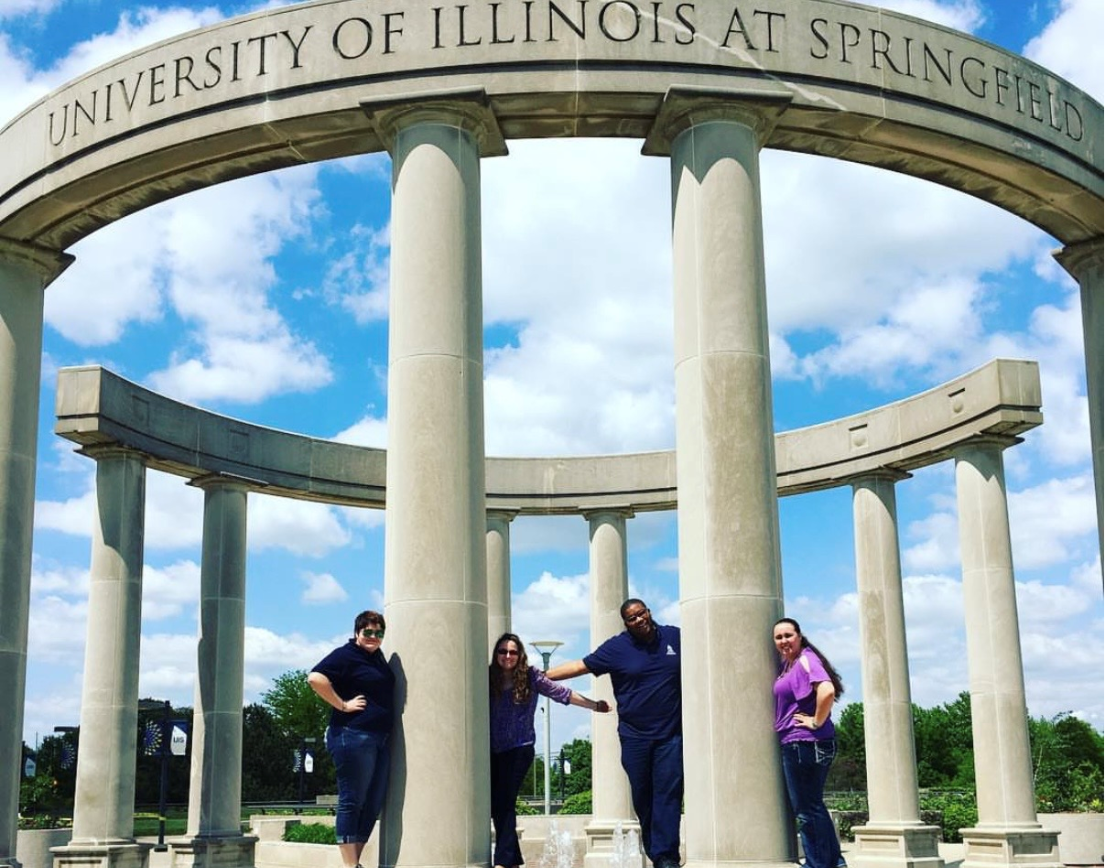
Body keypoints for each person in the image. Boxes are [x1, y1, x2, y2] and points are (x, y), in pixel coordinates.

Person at [547, 599, 683, 868]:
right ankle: (658, 853)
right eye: (631, 618)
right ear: (626, 623)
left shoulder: (674, 637)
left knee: (668, 794)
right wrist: (537, 677)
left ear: (649, 612)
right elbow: (580, 666)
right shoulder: (617, 648)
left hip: (671, 735)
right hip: (635, 737)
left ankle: (667, 858)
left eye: (641, 613)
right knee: (643, 797)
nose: (639, 620)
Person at [489, 632, 610, 868]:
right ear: (496, 654)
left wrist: (594, 705)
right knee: (497, 804)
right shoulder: (487, 677)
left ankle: (504, 862)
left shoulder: (531, 677)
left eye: (513, 652)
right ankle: (512, 860)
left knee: (503, 801)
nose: (508, 656)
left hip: (519, 749)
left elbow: (562, 694)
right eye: (503, 651)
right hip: (492, 751)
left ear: (520, 655)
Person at [308, 610, 395, 868]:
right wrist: (343, 705)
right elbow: (315, 678)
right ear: (357, 632)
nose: (373, 636)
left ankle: (355, 862)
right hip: (352, 736)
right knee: (352, 800)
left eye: (379, 632)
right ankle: (350, 866)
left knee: (373, 802)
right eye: (368, 632)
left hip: (379, 738)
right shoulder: (346, 655)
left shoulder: (376, 657)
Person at [772, 617, 846, 868]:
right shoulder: (790, 663)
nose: (783, 641)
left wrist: (815, 721)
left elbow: (826, 691)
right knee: (813, 806)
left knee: (806, 811)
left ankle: (816, 864)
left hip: (804, 743)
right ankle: (834, 862)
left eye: (788, 635)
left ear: (799, 636)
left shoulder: (805, 659)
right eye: (778, 637)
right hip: (803, 744)